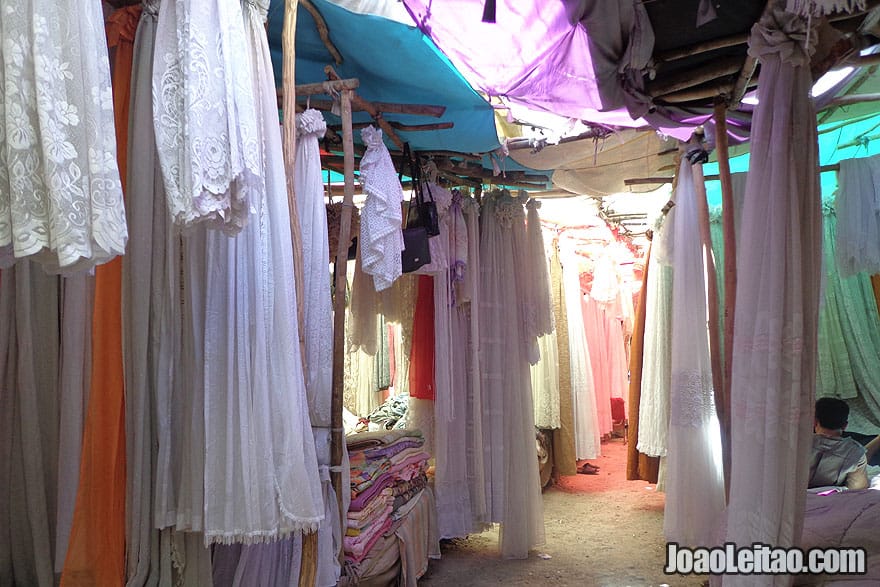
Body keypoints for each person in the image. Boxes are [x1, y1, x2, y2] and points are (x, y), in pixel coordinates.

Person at [808, 398, 880, 490]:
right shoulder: (855, 452)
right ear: (845, 425)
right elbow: (858, 489)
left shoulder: (797, 443)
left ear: (814, 422)